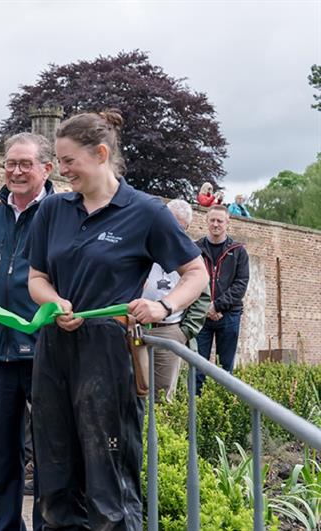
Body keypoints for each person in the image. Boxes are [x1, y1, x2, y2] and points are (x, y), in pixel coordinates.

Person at [26, 110, 207, 530]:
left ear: (101, 154)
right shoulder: (52, 209)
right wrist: (55, 302)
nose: (62, 170)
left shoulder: (145, 211)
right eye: (59, 160)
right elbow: (36, 278)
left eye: (69, 161)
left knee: (109, 477)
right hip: (54, 351)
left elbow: (196, 273)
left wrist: (162, 308)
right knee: (54, 475)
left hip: (108, 352)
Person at [0, 132, 54, 531]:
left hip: (45, 351)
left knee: (50, 454)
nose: (16, 171)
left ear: (47, 169)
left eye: (25, 164)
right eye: (10, 163)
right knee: (3, 456)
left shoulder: (61, 215)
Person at [141, 199, 212, 402]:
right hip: (138, 325)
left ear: (186, 228)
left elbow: (203, 295)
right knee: (135, 387)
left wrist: (185, 331)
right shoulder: (145, 243)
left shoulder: (191, 254)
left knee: (162, 395)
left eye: (177, 226)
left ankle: (161, 424)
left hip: (170, 328)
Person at [194, 204, 250, 393]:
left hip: (229, 316)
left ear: (227, 223)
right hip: (200, 316)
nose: (216, 224)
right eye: (212, 220)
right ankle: (196, 406)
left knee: (225, 368)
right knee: (197, 367)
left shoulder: (238, 251)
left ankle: (223, 406)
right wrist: (206, 307)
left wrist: (217, 306)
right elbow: (188, 279)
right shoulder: (195, 249)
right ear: (206, 221)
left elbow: (241, 284)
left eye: (220, 221)